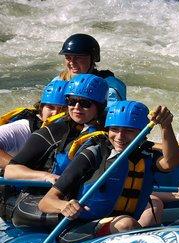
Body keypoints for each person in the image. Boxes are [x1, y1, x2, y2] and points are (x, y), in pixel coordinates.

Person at [37, 100, 179, 243]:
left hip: (123, 227)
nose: (120, 136)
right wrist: (63, 205)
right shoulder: (93, 154)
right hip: (80, 230)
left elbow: (171, 162)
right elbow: (46, 202)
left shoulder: (146, 155)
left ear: (142, 133)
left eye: (128, 131)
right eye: (114, 129)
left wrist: (166, 126)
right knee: (127, 224)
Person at [4, 74, 109, 224]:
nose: (76, 108)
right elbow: (10, 171)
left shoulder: (111, 132)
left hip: (76, 199)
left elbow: (142, 146)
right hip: (33, 200)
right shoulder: (53, 131)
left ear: (99, 106)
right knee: (76, 216)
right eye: (72, 102)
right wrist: (46, 176)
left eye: (84, 103)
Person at [0, 80, 69, 169]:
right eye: (50, 107)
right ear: (41, 108)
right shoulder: (22, 128)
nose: (55, 113)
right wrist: (19, 170)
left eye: (63, 109)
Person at [55, 33, 126, 107]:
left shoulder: (110, 87)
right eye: (68, 58)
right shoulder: (59, 80)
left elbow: (112, 115)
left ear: (93, 59)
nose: (72, 62)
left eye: (78, 58)